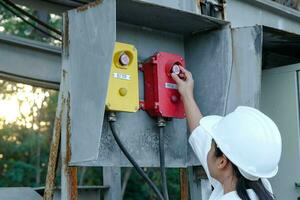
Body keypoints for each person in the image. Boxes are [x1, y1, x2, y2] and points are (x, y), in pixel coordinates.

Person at [171, 67, 282, 200]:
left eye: (212, 146)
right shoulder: (258, 186)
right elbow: (202, 137)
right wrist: (186, 94)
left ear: (222, 161)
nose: (208, 149)